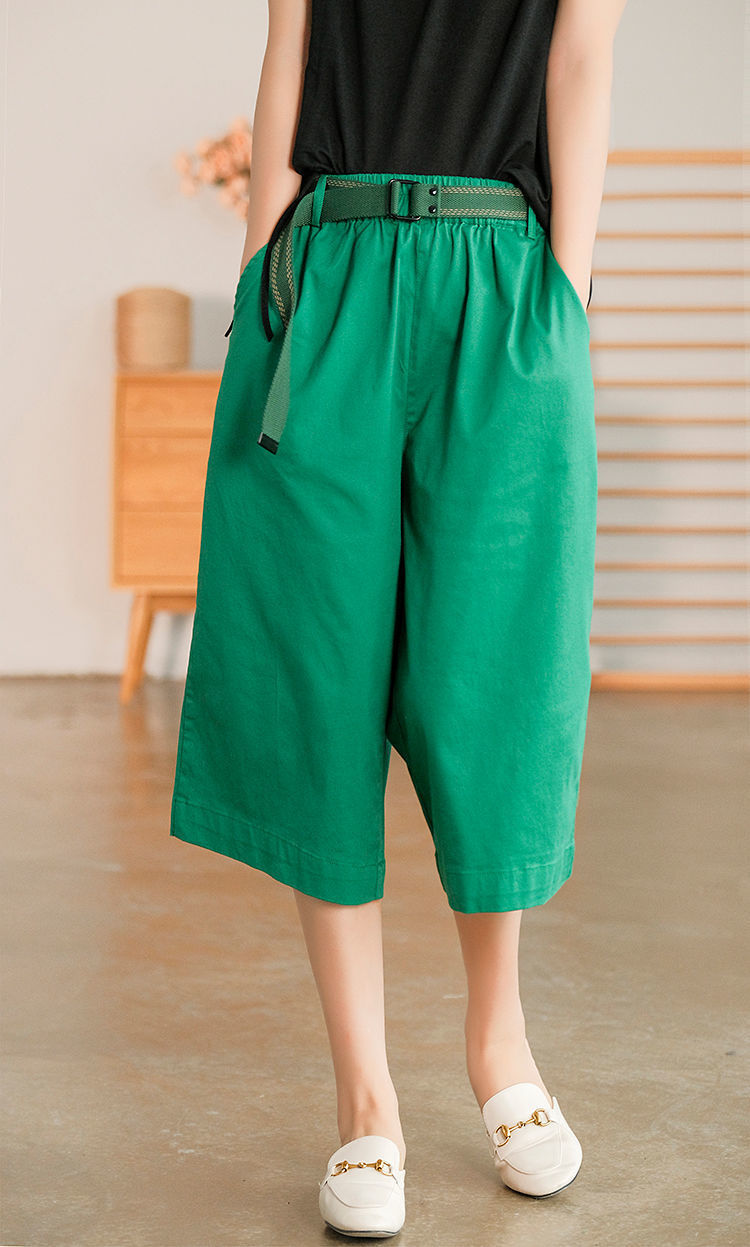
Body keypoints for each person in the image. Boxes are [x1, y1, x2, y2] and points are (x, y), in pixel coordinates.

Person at [170, 0, 628, 1235]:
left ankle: (500, 1044)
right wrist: (262, 278)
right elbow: (292, 47)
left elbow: (582, 51)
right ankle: (365, 1097)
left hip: (504, 274)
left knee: (498, 676)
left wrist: (566, 296)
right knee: (315, 676)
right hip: (329, 272)